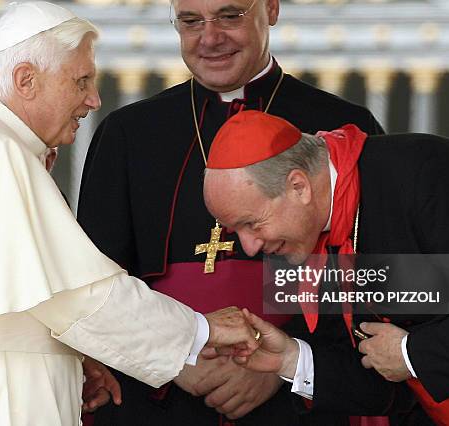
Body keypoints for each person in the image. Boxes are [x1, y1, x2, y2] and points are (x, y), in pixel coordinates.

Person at [0, 3, 261, 425]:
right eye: (81, 81)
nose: (93, 99)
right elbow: (81, 297)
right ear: (26, 81)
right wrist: (202, 332)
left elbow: (31, 294)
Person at [78, 0, 382, 424]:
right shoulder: (127, 132)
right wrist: (175, 352)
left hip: (294, 398)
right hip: (156, 393)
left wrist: (284, 361)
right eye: (190, 21)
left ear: (271, 10)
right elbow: (93, 280)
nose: (210, 37)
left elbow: (373, 275)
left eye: (230, 15)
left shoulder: (342, 125)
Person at [202, 110, 449, 425]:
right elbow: (384, 382)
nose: (249, 247)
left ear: (299, 186)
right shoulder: (302, 241)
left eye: (251, 224)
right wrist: (290, 359)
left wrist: (410, 354)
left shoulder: (430, 173)